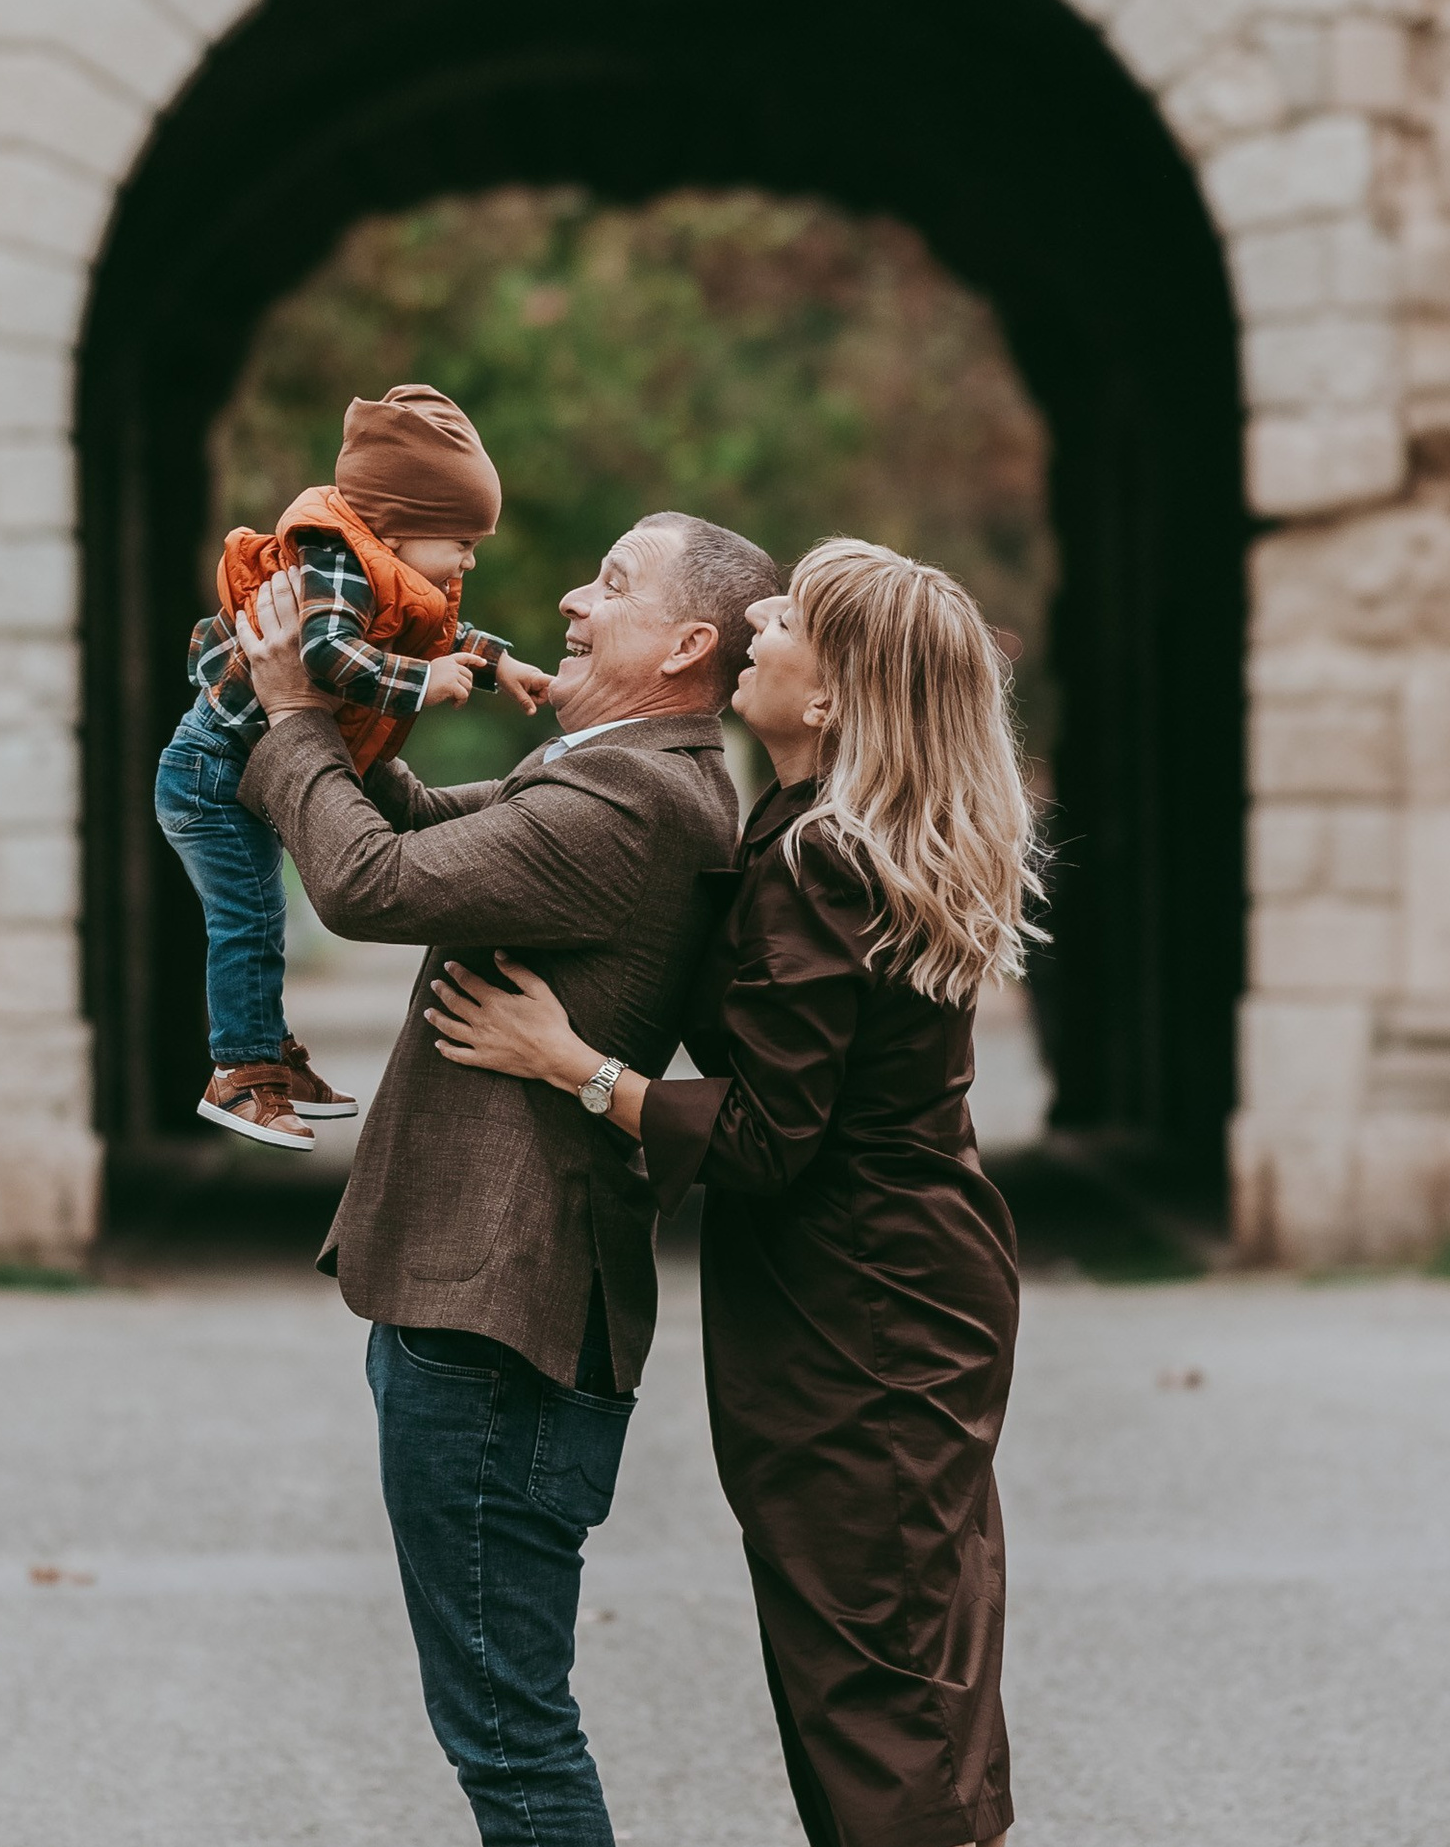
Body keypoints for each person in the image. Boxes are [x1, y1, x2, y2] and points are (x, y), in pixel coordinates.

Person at [431, 538, 1038, 1847]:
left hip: (860, 1316)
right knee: (909, 1657)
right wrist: (566, 703)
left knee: (874, 1684)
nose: (761, 613)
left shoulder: (828, 859)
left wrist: (574, 1068)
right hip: (898, 1287)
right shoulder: (824, 829)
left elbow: (768, 1138)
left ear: (830, 704)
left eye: (796, 616)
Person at [233, 511, 782, 1847]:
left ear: (689, 643)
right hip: (496, 1312)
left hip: (498, 1321)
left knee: (511, 1740)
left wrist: (297, 716)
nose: (572, 600)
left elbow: (364, 885)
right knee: (505, 1725)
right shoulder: (616, 769)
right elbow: (417, 835)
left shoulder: (637, 797)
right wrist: (363, 687)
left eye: (612, 582)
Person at [156, 383, 554, 1152]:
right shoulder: (334, 558)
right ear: (400, 530)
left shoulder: (385, 570)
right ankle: (241, 1074)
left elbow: (438, 629)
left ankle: (266, 1051)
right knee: (250, 919)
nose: (469, 559)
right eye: (462, 542)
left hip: (234, 774)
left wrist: (498, 662)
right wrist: (422, 682)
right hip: (211, 777)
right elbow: (327, 654)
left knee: (261, 917)